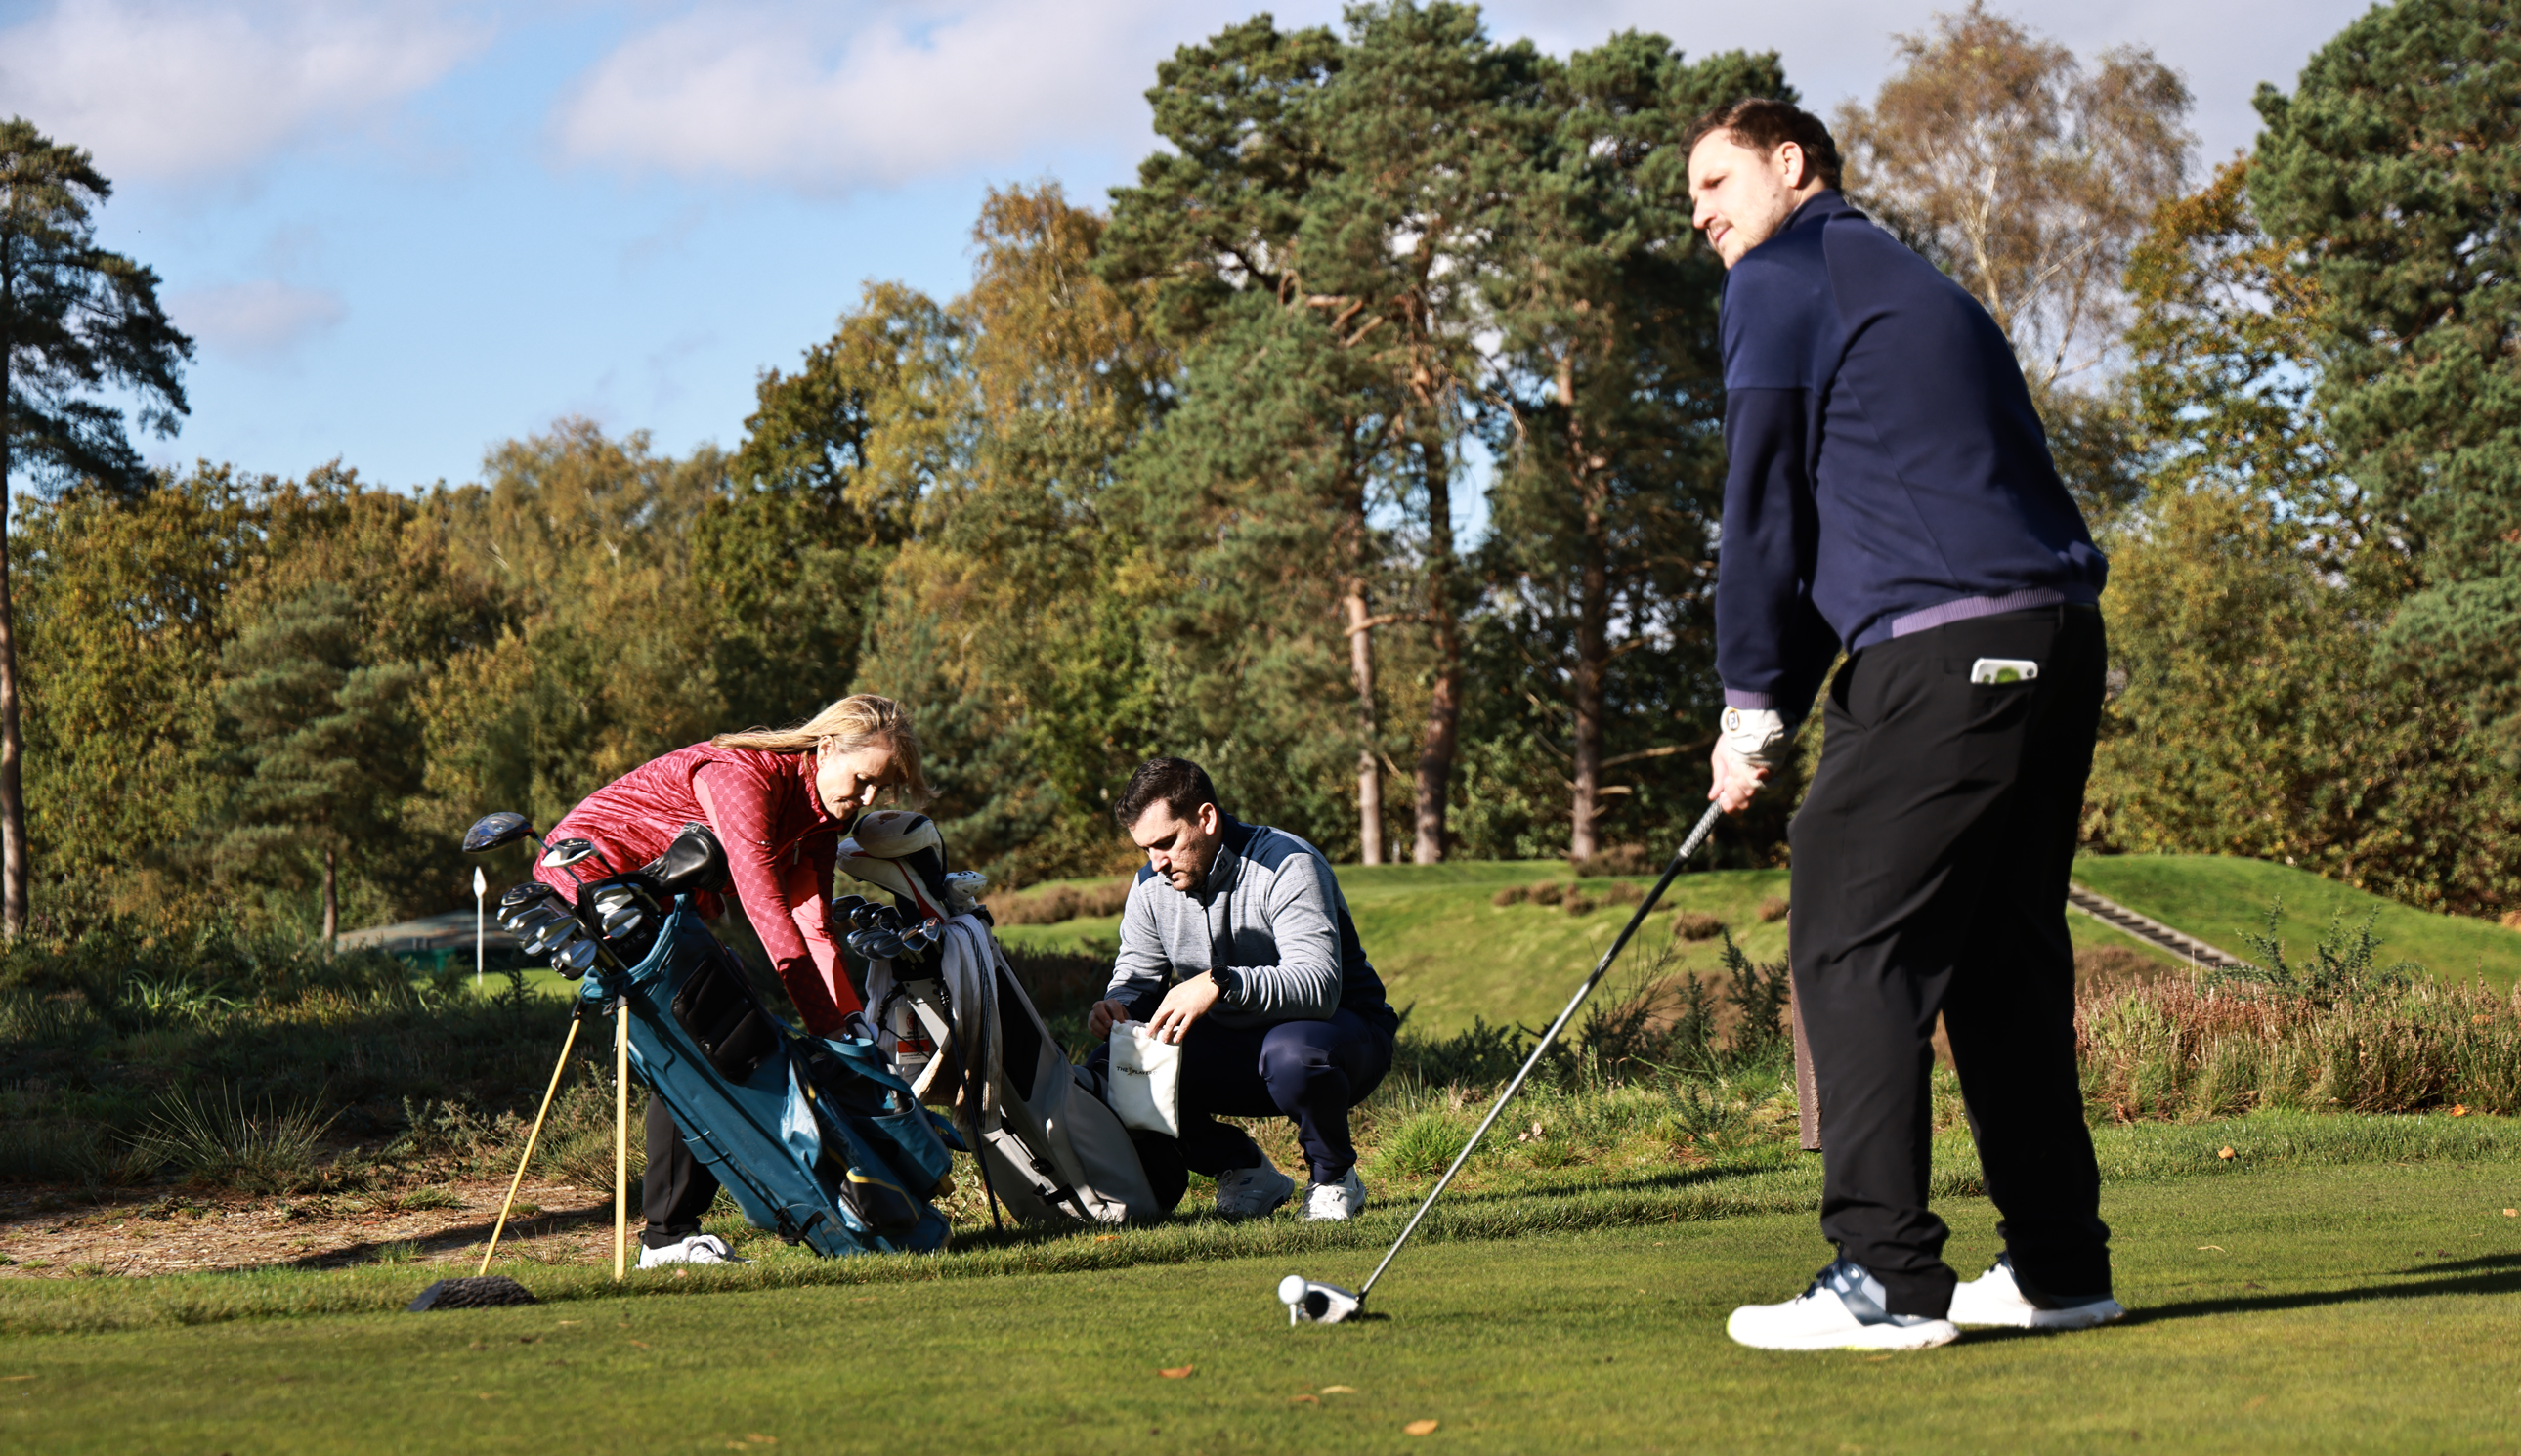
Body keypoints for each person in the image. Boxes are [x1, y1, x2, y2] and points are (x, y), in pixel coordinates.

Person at [1685, 99, 2122, 1350]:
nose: (1704, 213)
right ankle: (2056, 1265)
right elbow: (1865, 530)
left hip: (1953, 643)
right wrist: (1763, 709)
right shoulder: (1913, 286)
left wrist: (1750, 700)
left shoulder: (1781, 276)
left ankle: (1884, 1275)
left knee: (1845, 924)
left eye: (1717, 181)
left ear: (1792, 162)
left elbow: (1763, 508)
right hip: (2053, 638)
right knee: (1996, 954)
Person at [533, 693, 927, 1266]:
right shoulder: (745, 778)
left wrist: (848, 1032)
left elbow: (812, 929)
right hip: (594, 878)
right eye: (863, 780)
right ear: (823, 749)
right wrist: (831, 1032)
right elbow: (767, 913)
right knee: (710, 1035)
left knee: (714, 1037)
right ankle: (669, 1239)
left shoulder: (819, 814)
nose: (865, 801)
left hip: (660, 900)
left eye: (880, 790)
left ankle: (673, 1235)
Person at [1084, 757, 1399, 1221]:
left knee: (1292, 1052)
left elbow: (1319, 986)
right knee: (1112, 1067)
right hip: (1239, 1046)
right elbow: (1136, 975)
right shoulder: (1151, 883)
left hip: (1339, 1036)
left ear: (1206, 818)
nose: (1157, 863)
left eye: (1167, 843)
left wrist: (1221, 982)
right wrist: (1119, 1006)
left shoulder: (1288, 864)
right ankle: (1243, 1168)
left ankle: (1334, 1178)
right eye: (1146, 849)